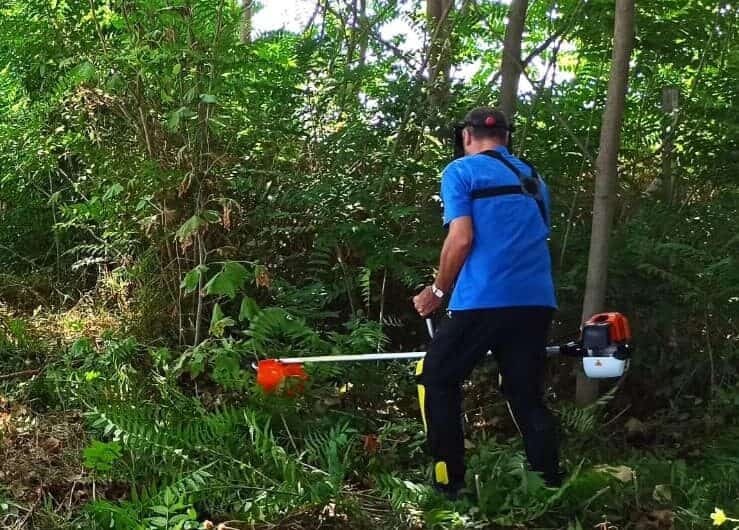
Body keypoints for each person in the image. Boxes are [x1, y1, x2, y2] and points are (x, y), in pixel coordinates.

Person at [412, 107, 561, 498]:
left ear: (466, 137)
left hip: (483, 299)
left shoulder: (460, 172)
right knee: (524, 390)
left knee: (437, 378)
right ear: (507, 138)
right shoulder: (534, 179)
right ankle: (549, 483)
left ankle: (449, 484)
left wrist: (438, 292)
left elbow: (461, 238)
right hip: (536, 300)